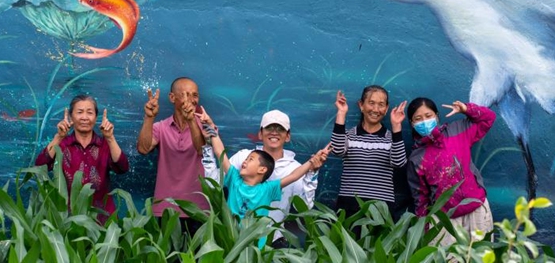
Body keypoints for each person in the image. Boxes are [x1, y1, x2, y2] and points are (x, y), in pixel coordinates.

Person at [200, 108, 329, 249]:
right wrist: (211, 130)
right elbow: (219, 158)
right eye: (269, 128)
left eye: (280, 129)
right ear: (260, 134)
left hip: (270, 242)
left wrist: (312, 170)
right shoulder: (242, 159)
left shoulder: (291, 170)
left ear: (288, 136)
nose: (274, 132)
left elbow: (304, 204)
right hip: (232, 238)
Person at [406, 97, 496, 246]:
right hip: (445, 220)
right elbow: (420, 198)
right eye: (418, 119)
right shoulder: (416, 159)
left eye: (428, 116)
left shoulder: (458, 130)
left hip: (476, 210)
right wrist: (424, 229)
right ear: (412, 124)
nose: (424, 121)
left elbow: (488, 118)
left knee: (481, 255)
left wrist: (467, 109)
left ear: (436, 116)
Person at [35, 94, 129, 221]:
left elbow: (123, 168)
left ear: (96, 117)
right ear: (71, 117)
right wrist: (59, 137)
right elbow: (40, 167)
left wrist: (110, 138)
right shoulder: (62, 145)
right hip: (68, 219)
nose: (84, 117)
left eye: (89, 113)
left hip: (102, 220)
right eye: (79, 112)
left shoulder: (105, 145)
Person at [137, 77, 207, 234]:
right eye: (185, 94)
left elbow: (202, 150)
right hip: (166, 209)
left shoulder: (206, 124)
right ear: (172, 97)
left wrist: (191, 122)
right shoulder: (160, 127)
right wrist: (149, 117)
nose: (191, 100)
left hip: (199, 209)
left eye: (194, 95)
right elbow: (143, 149)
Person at [330, 86, 407, 217]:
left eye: (381, 105)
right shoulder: (349, 135)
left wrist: (396, 127)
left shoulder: (392, 138)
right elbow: (337, 150)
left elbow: (399, 162)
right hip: (349, 206)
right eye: (371, 103)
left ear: (387, 109)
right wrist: (341, 113)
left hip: (381, 208)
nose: (376, 109)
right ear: (361, 105)